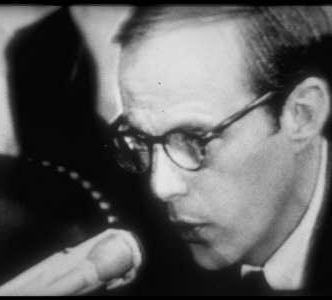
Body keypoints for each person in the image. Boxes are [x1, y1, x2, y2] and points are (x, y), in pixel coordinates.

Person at [108, 6, 332, 295]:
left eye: (193, 140)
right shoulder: (149, 250)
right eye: (139, 139)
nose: (161, 188)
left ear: (303, 115)